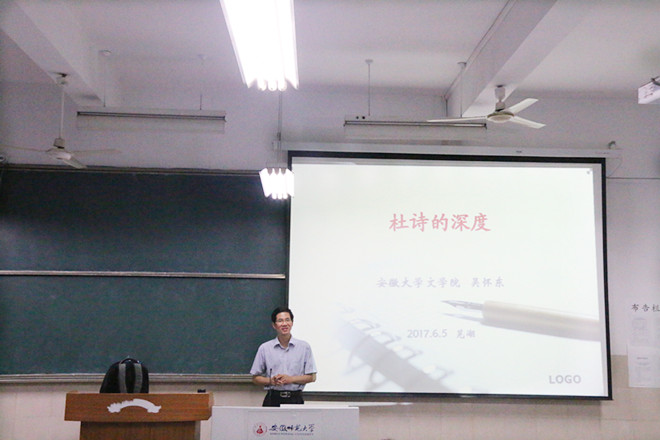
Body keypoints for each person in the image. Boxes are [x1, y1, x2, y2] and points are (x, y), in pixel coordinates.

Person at [250, 306, 317, 407]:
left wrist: (291, 379)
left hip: (295, 398)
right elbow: (255, 378)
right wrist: (271, 381)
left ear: (292, 323)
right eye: (280, 321)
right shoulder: (265, 348)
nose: (284, 324)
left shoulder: (304, 347)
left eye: (287, 320)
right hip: (273, 398)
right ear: (274, 325)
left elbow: (312, 377)